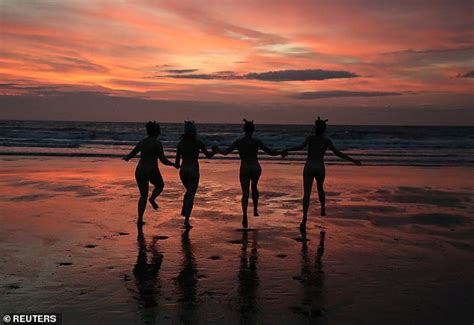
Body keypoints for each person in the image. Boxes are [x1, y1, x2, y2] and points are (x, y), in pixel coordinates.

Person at [286, 116, 361, 229]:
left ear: (315, 128)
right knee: (320, 187)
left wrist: (287, 149)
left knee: (307, 193)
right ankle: (322, 207)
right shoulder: (326, 141)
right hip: (320, 167)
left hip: (309, 166)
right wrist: (353, 160)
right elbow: (338, 153)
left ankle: (304, 217)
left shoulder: (310, 138)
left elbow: (300, 147)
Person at [213, 119, 285, 229]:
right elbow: (270, 152)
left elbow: (225, 152)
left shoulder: (239, 141)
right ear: (253, 130)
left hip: (245, 167)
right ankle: (255, 208)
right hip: (255, 166)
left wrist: (217, 149)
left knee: (245, 193)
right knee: (254, 186)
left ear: (244, 129)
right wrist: (281, 152)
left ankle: (245, 215)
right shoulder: (257, 141)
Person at [123, 121, 177, 225]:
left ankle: (139, 219)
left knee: (143, 195)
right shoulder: (157, 144)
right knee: (160, 185)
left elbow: (132, 153)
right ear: (156, 132)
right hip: (151, 169)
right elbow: (163, 160)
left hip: (140, 170)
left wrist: (127, 158)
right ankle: (152, 198)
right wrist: (173, 164)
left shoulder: (142, 142)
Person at [175, 121, 214, 228]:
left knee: (188, 192)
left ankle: (185, 209)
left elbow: (177, 163)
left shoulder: (180, 144)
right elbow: (208, 155)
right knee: (191, 195)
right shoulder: (198, 143)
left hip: (183, 171)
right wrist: (215, 151)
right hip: (193, 170)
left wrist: (176, 165)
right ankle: (186, 220)